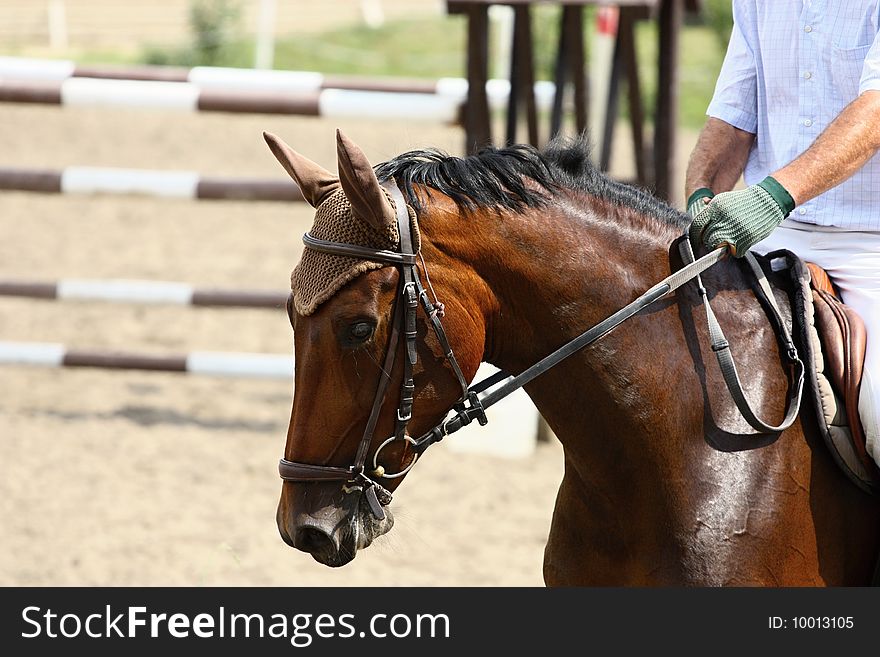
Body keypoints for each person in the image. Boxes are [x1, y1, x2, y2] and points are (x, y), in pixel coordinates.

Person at [684, 0, 880, 466]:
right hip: (772, 230)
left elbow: (875, 113)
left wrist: (772, 196)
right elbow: (734, 115)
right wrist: (700, 198)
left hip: (869, 242)